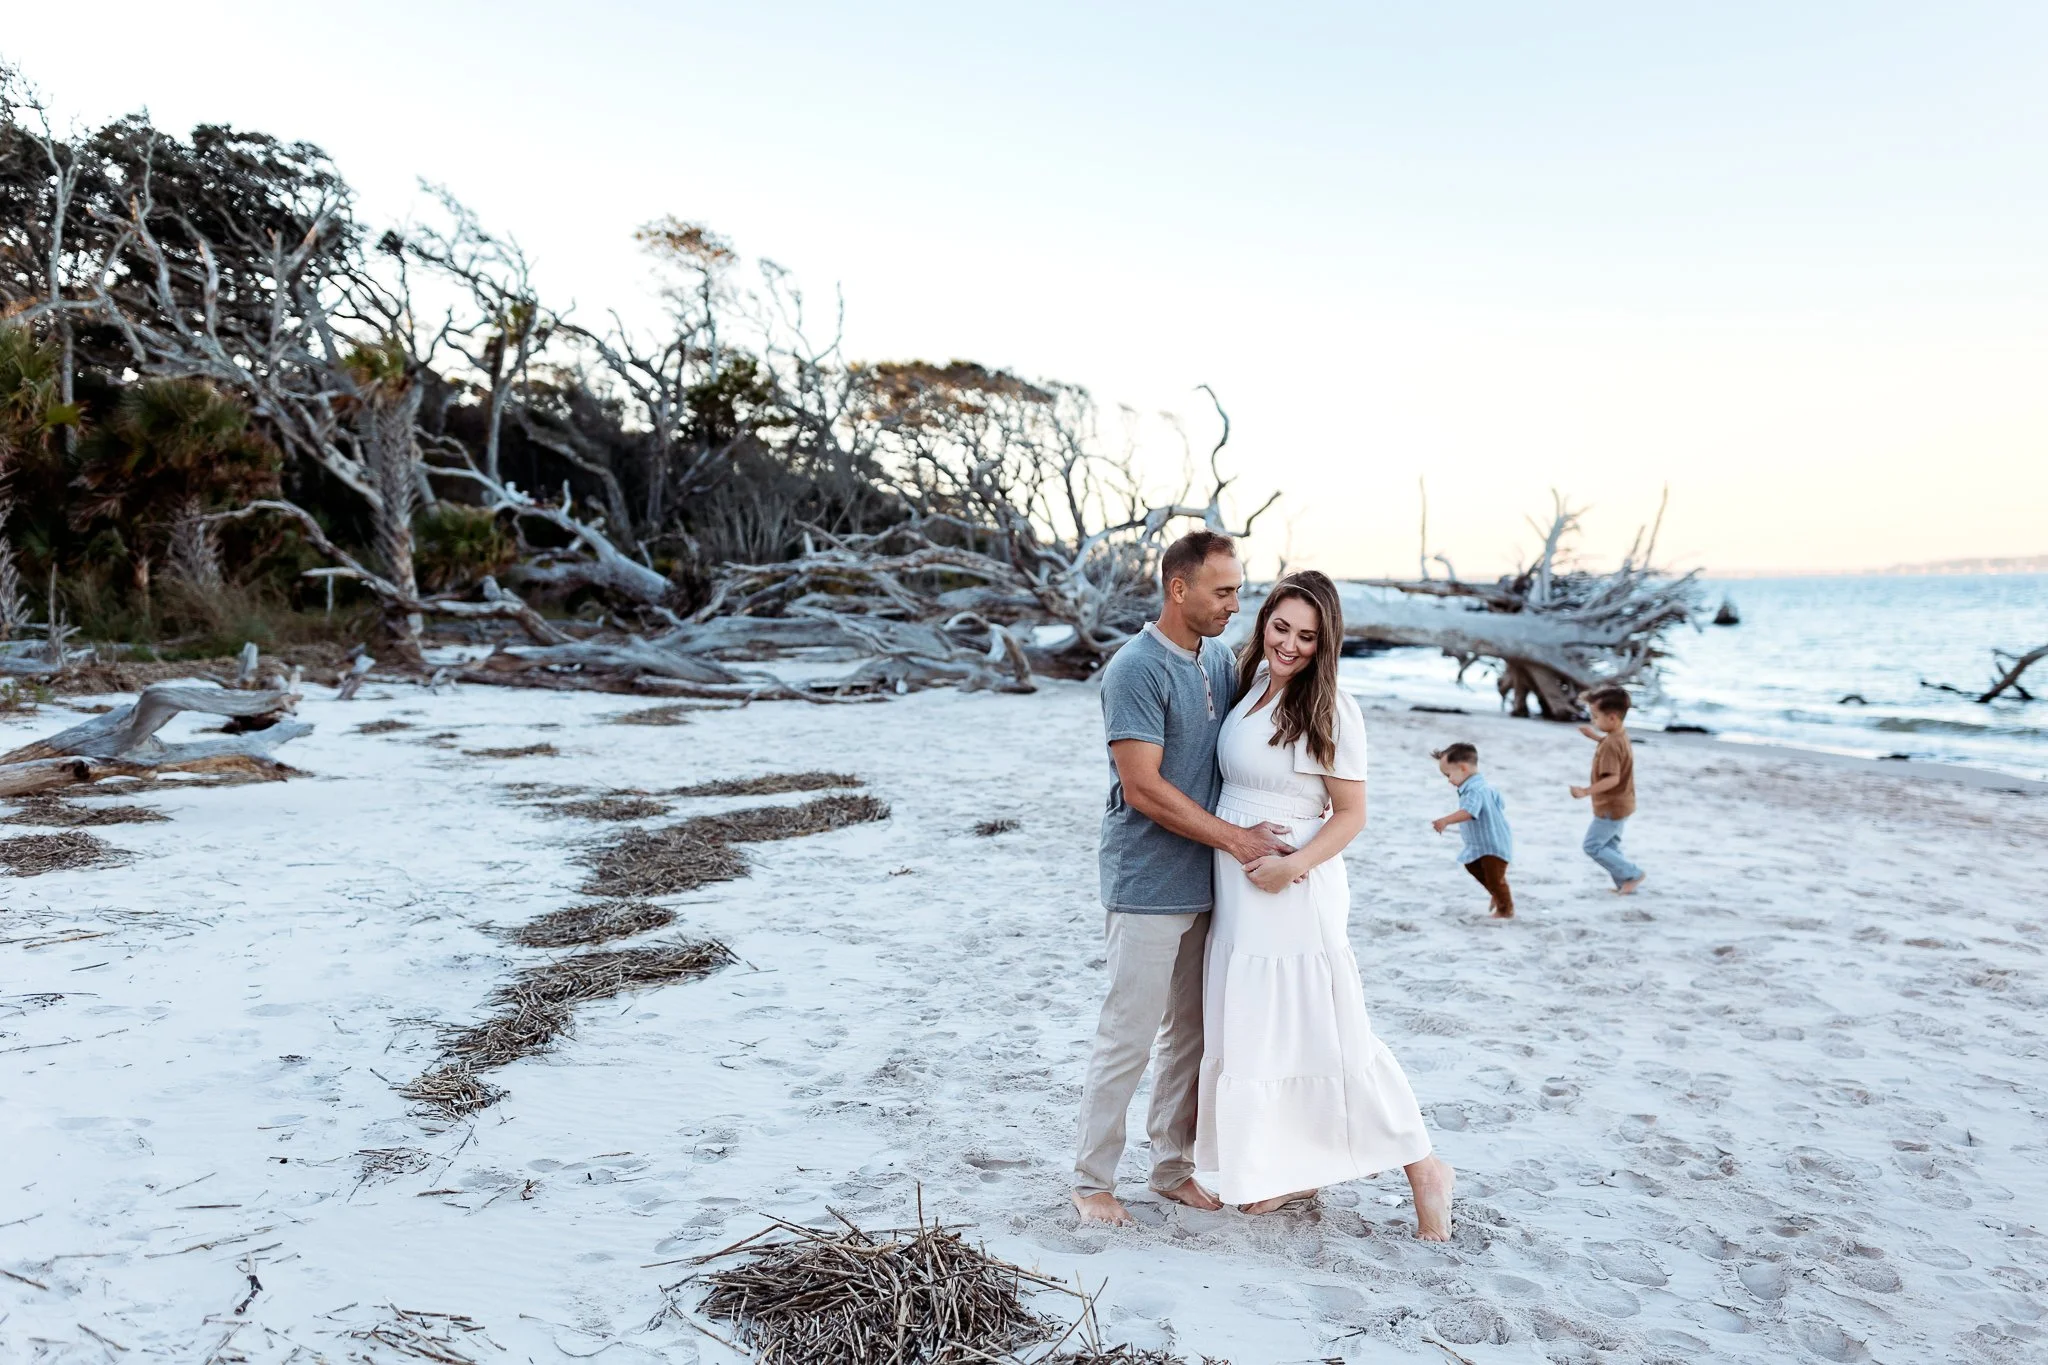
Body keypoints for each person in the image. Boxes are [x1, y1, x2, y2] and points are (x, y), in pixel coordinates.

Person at [1192, 570, 1454, 1237]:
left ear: (1325, 641)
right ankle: (1294, 1168)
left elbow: (1352, 813)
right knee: (1264, 1032)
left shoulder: (1332, 706)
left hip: (1294, 890)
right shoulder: (1249, 682)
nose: (1290, 645)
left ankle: (1424, 1166)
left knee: (1328, 1035)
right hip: (1240, 894)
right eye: (1281, 627)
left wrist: (1292, 866)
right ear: (1263, 623)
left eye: (1307, 636)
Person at [1072, 530, 1295, 1227]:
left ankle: (1171, 1166)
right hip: (1145, 880)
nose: (1237, 602)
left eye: (1237, 588)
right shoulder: (1135, 668)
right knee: (1127, 1035)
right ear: (1179, 589)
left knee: (1191, 1037)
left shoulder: (1221, 659)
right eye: (1223, 590)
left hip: (1207, 884)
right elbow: (1143, 788)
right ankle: (1090, 1181)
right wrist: (1237, 838)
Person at [1571, 685, 1645, 894]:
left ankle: (1633, 874)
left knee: (1592, 846)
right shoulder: (1619, 735)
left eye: (1596, 717)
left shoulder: (1611, 744)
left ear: (1612, 718)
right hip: (1624, 802)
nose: (1594, 721)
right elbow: (1612, 745)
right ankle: (1625, 883)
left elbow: (1613, 778)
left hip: (1611, 806)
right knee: (1610, 846)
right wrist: (1595, 737)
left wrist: (1585, 791)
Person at [1429, 742, 1515, 918]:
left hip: (1492, 845)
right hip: (1484, 844)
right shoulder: (1483, 786)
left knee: (1495, 879)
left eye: (1448, 774)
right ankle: (1497, 895)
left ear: (1463, 768)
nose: (1448, 780)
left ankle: (1505, 909)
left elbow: (1469, 812)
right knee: (1472, 864)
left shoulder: (1475, 790)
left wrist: (1445, 820)